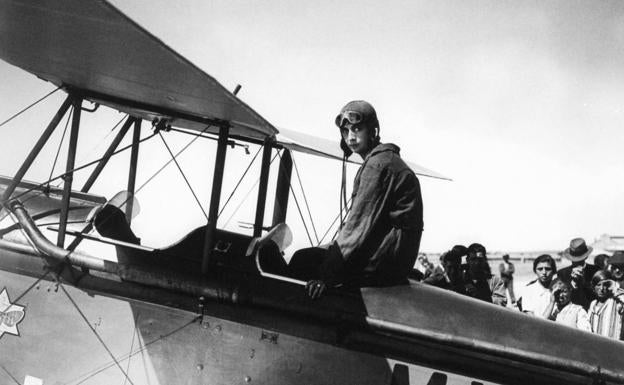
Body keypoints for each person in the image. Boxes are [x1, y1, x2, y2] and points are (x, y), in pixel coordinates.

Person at [288, 100, 423, 298]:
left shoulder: (378, 166)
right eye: (345, 131)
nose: (351, 137)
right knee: (311, 256)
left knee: (302, 261)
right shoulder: (384, 161)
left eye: (357, 129)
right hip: (389, 262)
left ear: (373, 131)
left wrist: (326, 277)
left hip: (381, 267)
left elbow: (358, 227)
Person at [556, 238, 599, 310]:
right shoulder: (562, 273)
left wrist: (583, 282)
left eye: (579, 259)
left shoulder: (596, 271)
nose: (577, 262)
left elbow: (598, 295)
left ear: (586, 257)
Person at [587, 270, 624, 340]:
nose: (601, 289)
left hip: (612, 346)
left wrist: (615, 289)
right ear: (593, 287)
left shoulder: (616, 302)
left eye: (606, 285)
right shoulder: (593, 304)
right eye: (598, 285)